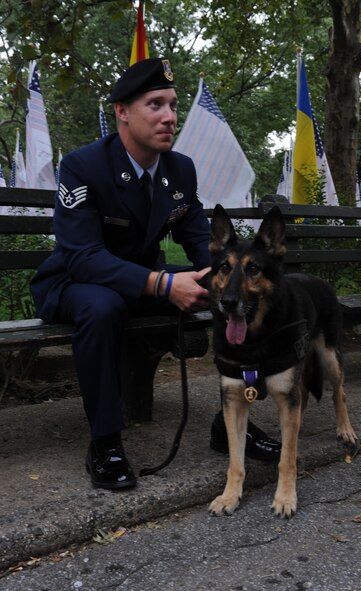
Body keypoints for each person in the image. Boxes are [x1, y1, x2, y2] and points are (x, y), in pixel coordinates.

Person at [30, 57, 280, 491]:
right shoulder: (84, 166)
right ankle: (105, 443)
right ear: (122, 112)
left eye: (173, 105)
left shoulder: (179, 169)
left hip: (140, 282)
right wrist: (163, 283)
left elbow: (202, 242)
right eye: (155, 105)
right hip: (73, 284)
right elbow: (82, 256)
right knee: (103, 305)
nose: (169, 117)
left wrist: (225, 277)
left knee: (232, 292)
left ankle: (230, 425)